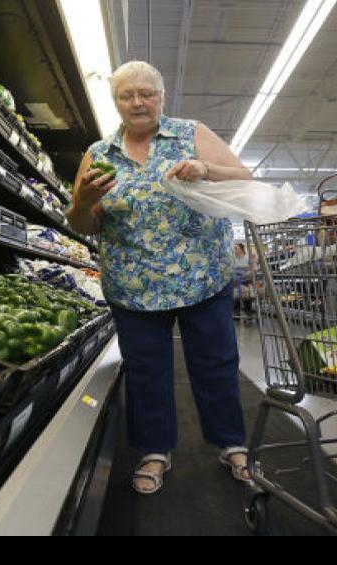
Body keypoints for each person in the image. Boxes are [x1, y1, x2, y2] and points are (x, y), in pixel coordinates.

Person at [66, 61, 254, 495]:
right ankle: (154, 451)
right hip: (134, 287)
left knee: (216, 363)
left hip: (203, 277)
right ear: (116, 102)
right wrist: (83, 202)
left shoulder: (191, 134)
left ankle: (231, 443)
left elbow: (244, 177)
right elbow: (82, 224)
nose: (137, 102)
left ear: (162, 96)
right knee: (146, 371)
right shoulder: (99, 154)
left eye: (146, 93)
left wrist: (205, 170)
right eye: (127, 95)